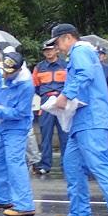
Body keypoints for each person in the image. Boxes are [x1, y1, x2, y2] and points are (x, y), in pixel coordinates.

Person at [44, 23, 108, 216]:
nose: (58, 49)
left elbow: (84, 75)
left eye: (58, 43)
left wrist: (64, 96)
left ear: (68, 38)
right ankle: (79, 212)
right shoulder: (82, 52)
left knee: (99, 164)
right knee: (71, 164)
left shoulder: (80, 50)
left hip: (91, 120)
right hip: (80, 121)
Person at [0, 50, 35, 216]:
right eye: (3, 69)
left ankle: (24, 204)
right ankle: (3, 198)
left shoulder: (26, 84)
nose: (4, 74)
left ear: (18, 70)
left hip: (17, 126)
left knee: (14, 162)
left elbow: (21, 113)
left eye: (9, 72)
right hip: (1, 124)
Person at [31, 41, 68, 175]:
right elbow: (34, 86)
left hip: (62, 101)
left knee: (65, 135)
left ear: (56, 50)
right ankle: (45, 165)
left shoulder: (65, 65)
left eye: (51, 49)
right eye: (45, 50)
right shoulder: (39, 67)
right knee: (45, 136)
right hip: (46, 103)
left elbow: (71, 83)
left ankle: (67, 165)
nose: (48, 52)